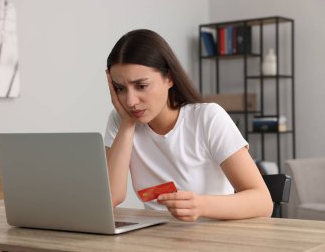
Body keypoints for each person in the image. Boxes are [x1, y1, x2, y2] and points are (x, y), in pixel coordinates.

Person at [104, 29, 273, 221]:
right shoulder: (121, 120)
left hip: (214, 239)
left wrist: (201, 205)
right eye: (120, 89)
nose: (130, 101)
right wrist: (127, 125)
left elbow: (263, 202)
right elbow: (110, 197)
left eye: (141, 86)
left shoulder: (207, 118)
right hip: (156, 240)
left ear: (169, 77)